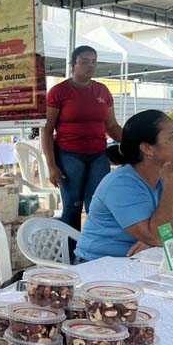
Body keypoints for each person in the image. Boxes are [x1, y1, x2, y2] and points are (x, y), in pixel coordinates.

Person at [74, 110, 173, 261]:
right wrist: (171, 185)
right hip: (98, 264)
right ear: (147, 148)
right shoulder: (121, 184)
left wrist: (162, 242)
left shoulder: (170, 173)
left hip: (142, 260)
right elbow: (157, 237)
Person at [42, 45, 123, 231]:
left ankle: (90, 252)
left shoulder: (103, 91)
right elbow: (47, 130)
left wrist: (134, 141)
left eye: (94, 62)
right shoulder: (58, 92)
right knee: (72, 206)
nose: (91, 66)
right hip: (69, 155)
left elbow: (112, 126)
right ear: (73, 65)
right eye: (85, 62)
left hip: (98, 156)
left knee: (97, 207)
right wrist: (51, 166)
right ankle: (70, 255)